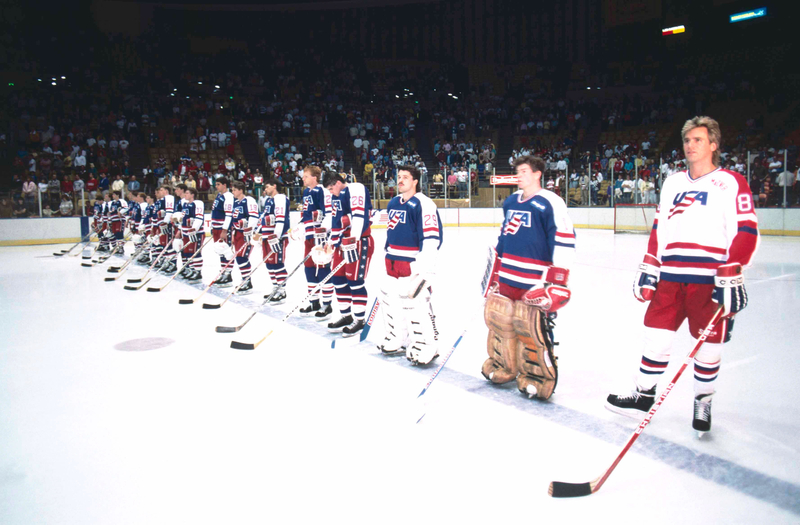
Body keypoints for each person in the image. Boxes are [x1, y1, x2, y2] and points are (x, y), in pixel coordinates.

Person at [605, 116, 759, 435]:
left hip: (709, 279)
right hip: (671, 277)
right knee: (656, 336)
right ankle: (643, 395)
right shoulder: (673, 182)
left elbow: (746, 229)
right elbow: (660, 228)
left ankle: (703, 400)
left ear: (713, 144)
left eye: (698, 140)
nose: (690, 145)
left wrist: (733, 268)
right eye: (687, 140)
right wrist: (650, 264)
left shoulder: (731, 182)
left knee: (709, 345)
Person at [481, 155, 576, 400]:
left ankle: (538, 377)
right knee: (503, 323)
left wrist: (557, 282)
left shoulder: (550, 202)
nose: (519, 175)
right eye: (517, 171)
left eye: (524, 171)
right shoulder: (511, 201)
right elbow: (504, 238)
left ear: (537, 174)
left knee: (531, 328)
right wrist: (494, 270)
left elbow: (564, 240)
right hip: (508, 276)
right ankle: (505, 366)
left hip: (534, 279)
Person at [379, 165, 443, 365]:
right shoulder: (392, 203)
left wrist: (426, 270)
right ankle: (398, 337)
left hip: (412, 263)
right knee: (391, 301)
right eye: (399, 177)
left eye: (405, 177)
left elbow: (432, 238)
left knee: (415, 304)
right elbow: (392, 232)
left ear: (415, 181)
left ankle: (426, 345)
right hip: (392, 262)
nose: (400, 180)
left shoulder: (424, 204)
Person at [322, 172, 375, 336]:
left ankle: (359, 320)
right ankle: (346, 316)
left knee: (355, 281)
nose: (331, 192)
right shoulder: (335, 197)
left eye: (332, 188)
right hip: (342, 244)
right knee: (338, 279)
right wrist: (330, 241)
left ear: (339, 182)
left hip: (358, 242)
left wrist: (353, 239)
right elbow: (337, 223)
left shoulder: (356, 188)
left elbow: (359, 216)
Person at [299, 165, 334, 319]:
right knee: (309, 268)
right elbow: (306, 215)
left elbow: (329, 213)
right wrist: (299, 226)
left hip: (320, 236)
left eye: (306, 176)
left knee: (322, 266)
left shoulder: (323, 191)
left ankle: (327, 304)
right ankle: (314, 301)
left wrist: (323, 231)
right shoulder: (306, 192)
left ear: (315, 177)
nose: (303, 178)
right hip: (308, 236)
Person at [256, 178, 291, 304]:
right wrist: (257, 232)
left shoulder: (280, 198)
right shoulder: (269, 200)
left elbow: (281, 219)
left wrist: (276, 236)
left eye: (267, 187)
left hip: (275, 238)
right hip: (267, 237)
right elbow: (264, 217)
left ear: (274, 186)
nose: (265, 190)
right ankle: (276, 287)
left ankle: (282, 291)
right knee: (269, 263)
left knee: (277, 263)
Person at [230, 181, 260, 295]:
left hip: (245, 234)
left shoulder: (249, 200)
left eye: (234, 190)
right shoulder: (236, 202)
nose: (233, 192)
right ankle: (244, 280)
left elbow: (253, 216)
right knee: (239, 256)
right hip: (238, 233)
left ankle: (247, 282)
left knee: (242, 257)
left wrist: (249, 231)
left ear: (241, 190)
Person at [210, 177, 235, 287]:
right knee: (220, 250)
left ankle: (228, 275)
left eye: (218, 184)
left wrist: (225, 230)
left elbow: (229, 215)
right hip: (216, 227)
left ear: (225, 185)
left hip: (222, 228)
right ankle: (223, 271)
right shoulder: (219, 195)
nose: (216, 186)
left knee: (226, 251)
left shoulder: (228, 196)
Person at [179, 187, 205, 281]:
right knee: (188, 252)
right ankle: (192, 269)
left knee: (195, 252)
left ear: (192, 194)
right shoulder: (185, 204)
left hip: (195, 233)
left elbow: (199, 217)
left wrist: (194, 228)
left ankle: (198, 272)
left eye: (187, 193)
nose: (185, 194)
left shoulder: (197, 203)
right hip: (186, 233)